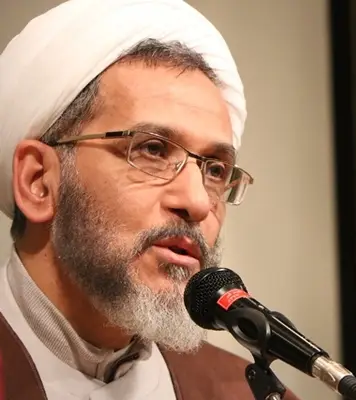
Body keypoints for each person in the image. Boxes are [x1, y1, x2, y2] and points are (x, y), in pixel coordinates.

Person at [0, 1, 299, 399]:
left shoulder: (244, 393)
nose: (197, 203)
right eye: (152, 150)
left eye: (214, 170)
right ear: (38, 180)